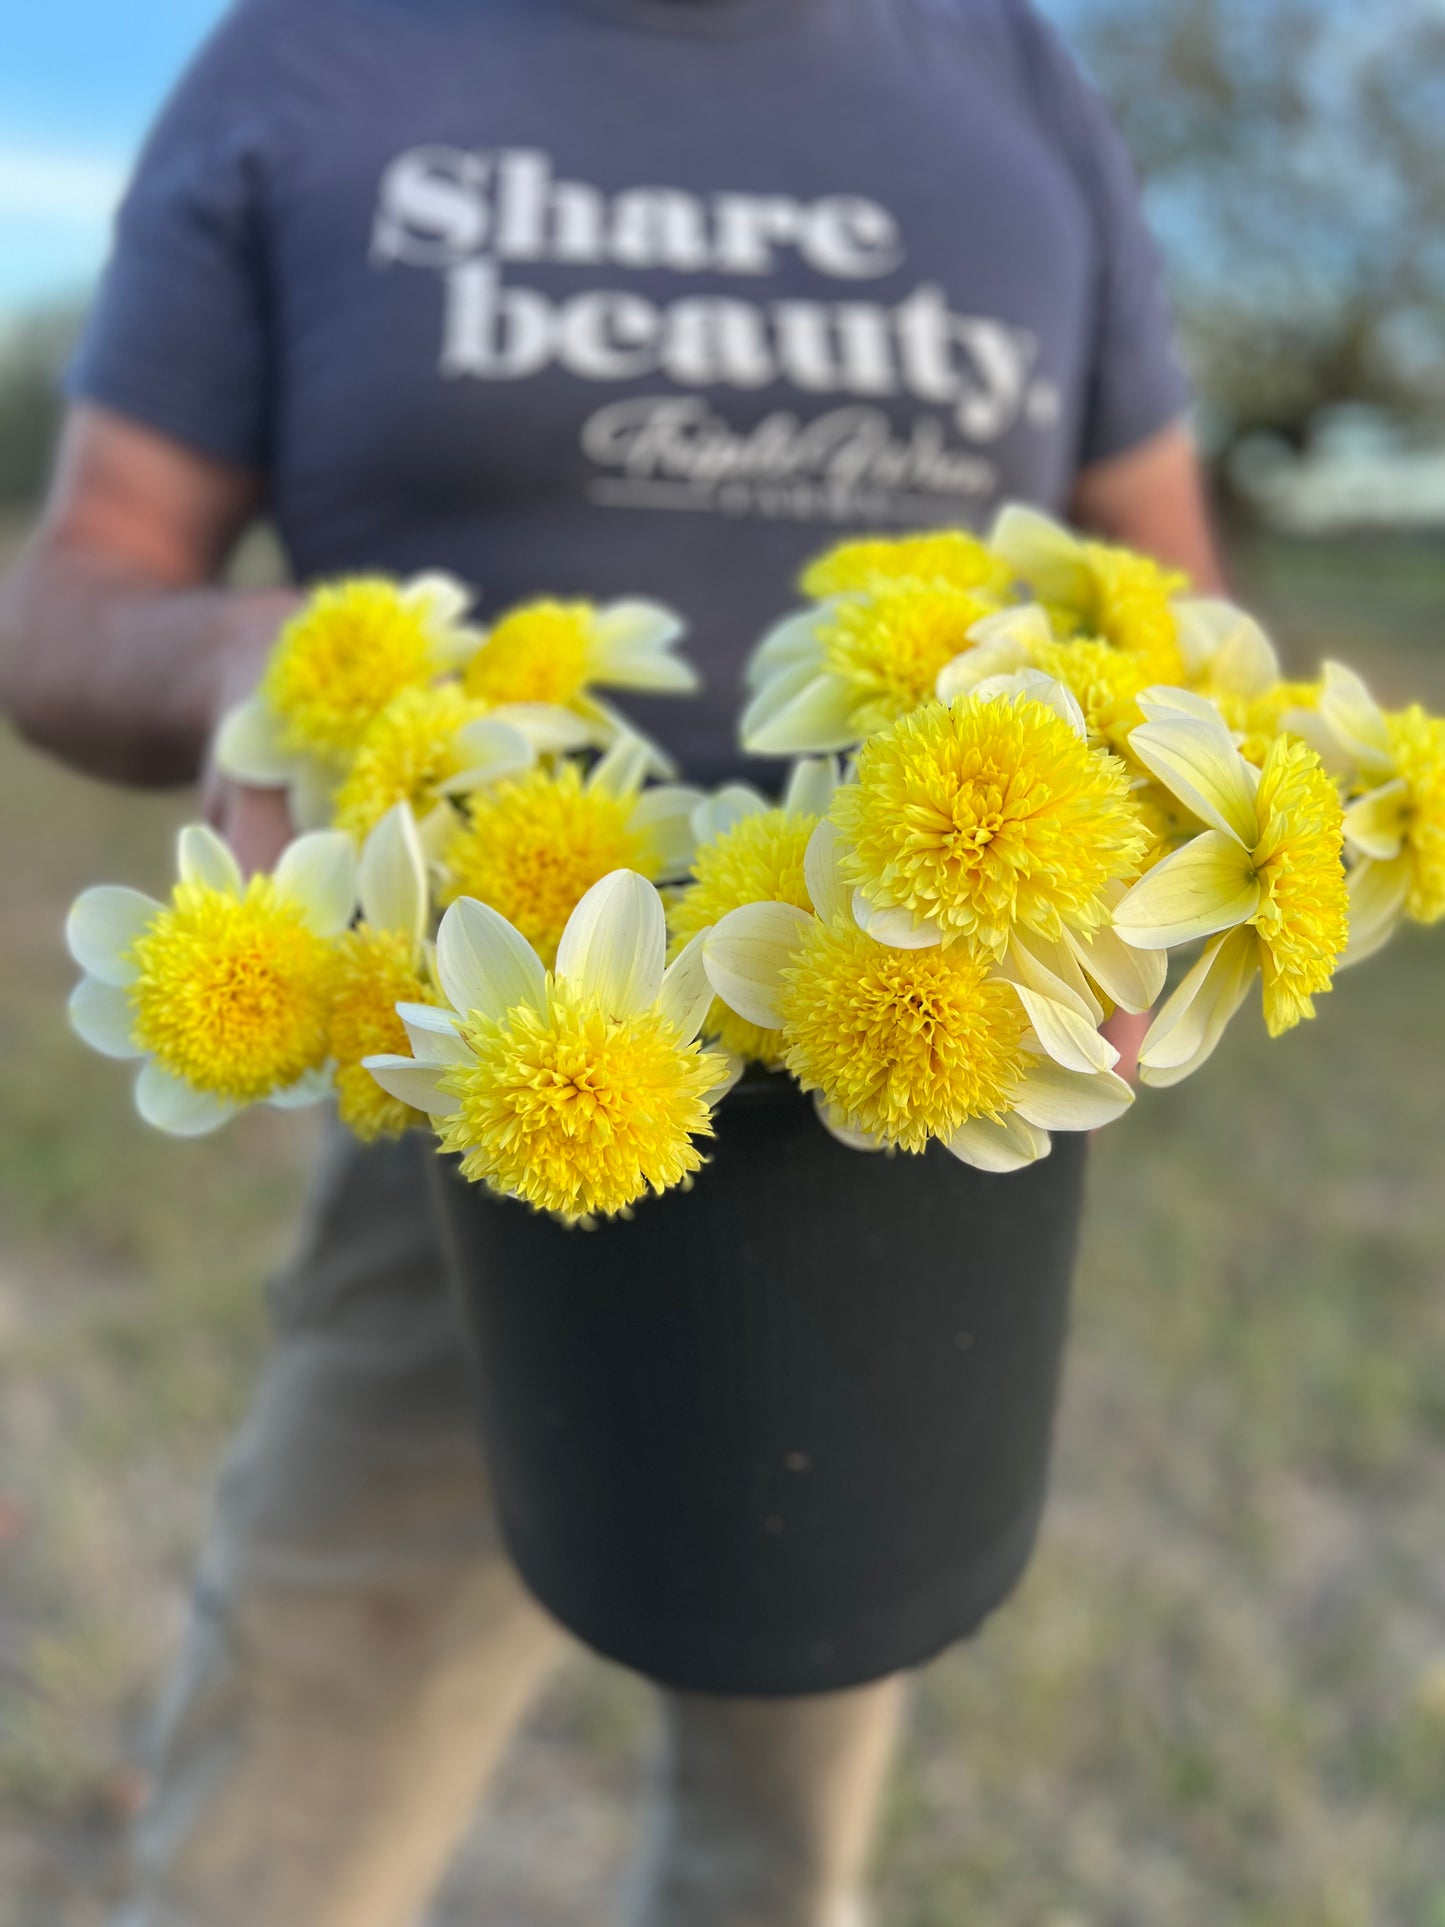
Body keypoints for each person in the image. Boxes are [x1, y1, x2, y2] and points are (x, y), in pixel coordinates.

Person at [0, 1, 1224, 1921]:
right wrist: (246, 663)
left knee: (785, 1854)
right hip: (468, 1105)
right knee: (272, 1855)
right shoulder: (310, 58)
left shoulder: (1012, 76)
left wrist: (1151, 839)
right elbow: (76, 588)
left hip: (929, 1128)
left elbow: (1166, 579)